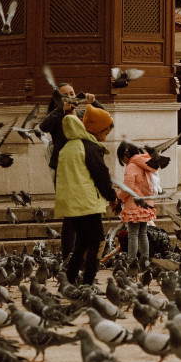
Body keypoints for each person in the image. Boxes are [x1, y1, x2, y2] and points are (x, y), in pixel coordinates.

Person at [54, 105, 118, 286]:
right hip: (87, 202)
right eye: (105, 132)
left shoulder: (67, 147)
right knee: (97, 242)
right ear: (97, 129)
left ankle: (68, 281)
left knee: (82, 243)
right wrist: (112, 196)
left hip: (71, 203)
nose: (106, 137)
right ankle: (88, 284)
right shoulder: (89, 147)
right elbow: (101, 175)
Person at [39, 83, 102, 260]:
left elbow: (104, 121)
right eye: (66, 95)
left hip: (83, 167)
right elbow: (43, 127)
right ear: (58, 100)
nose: (71, 96)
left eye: (72, 93)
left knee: (84, 213)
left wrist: (94, 103)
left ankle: (80, 255)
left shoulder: (81, 114)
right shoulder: (57, 116)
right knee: (71, 214)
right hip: (64, 169)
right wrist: (61, 109)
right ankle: (68, 256)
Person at [116, 143, 158, 260]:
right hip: (146, 204)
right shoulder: (145, 163)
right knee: (143, 233)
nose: (123, 162)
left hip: (134, 205)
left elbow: (128, 187)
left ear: (126, 155)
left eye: (122, 158)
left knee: (133, 234)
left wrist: (119, 197)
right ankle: (145, 259)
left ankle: (132, 260)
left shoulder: (131, 166)